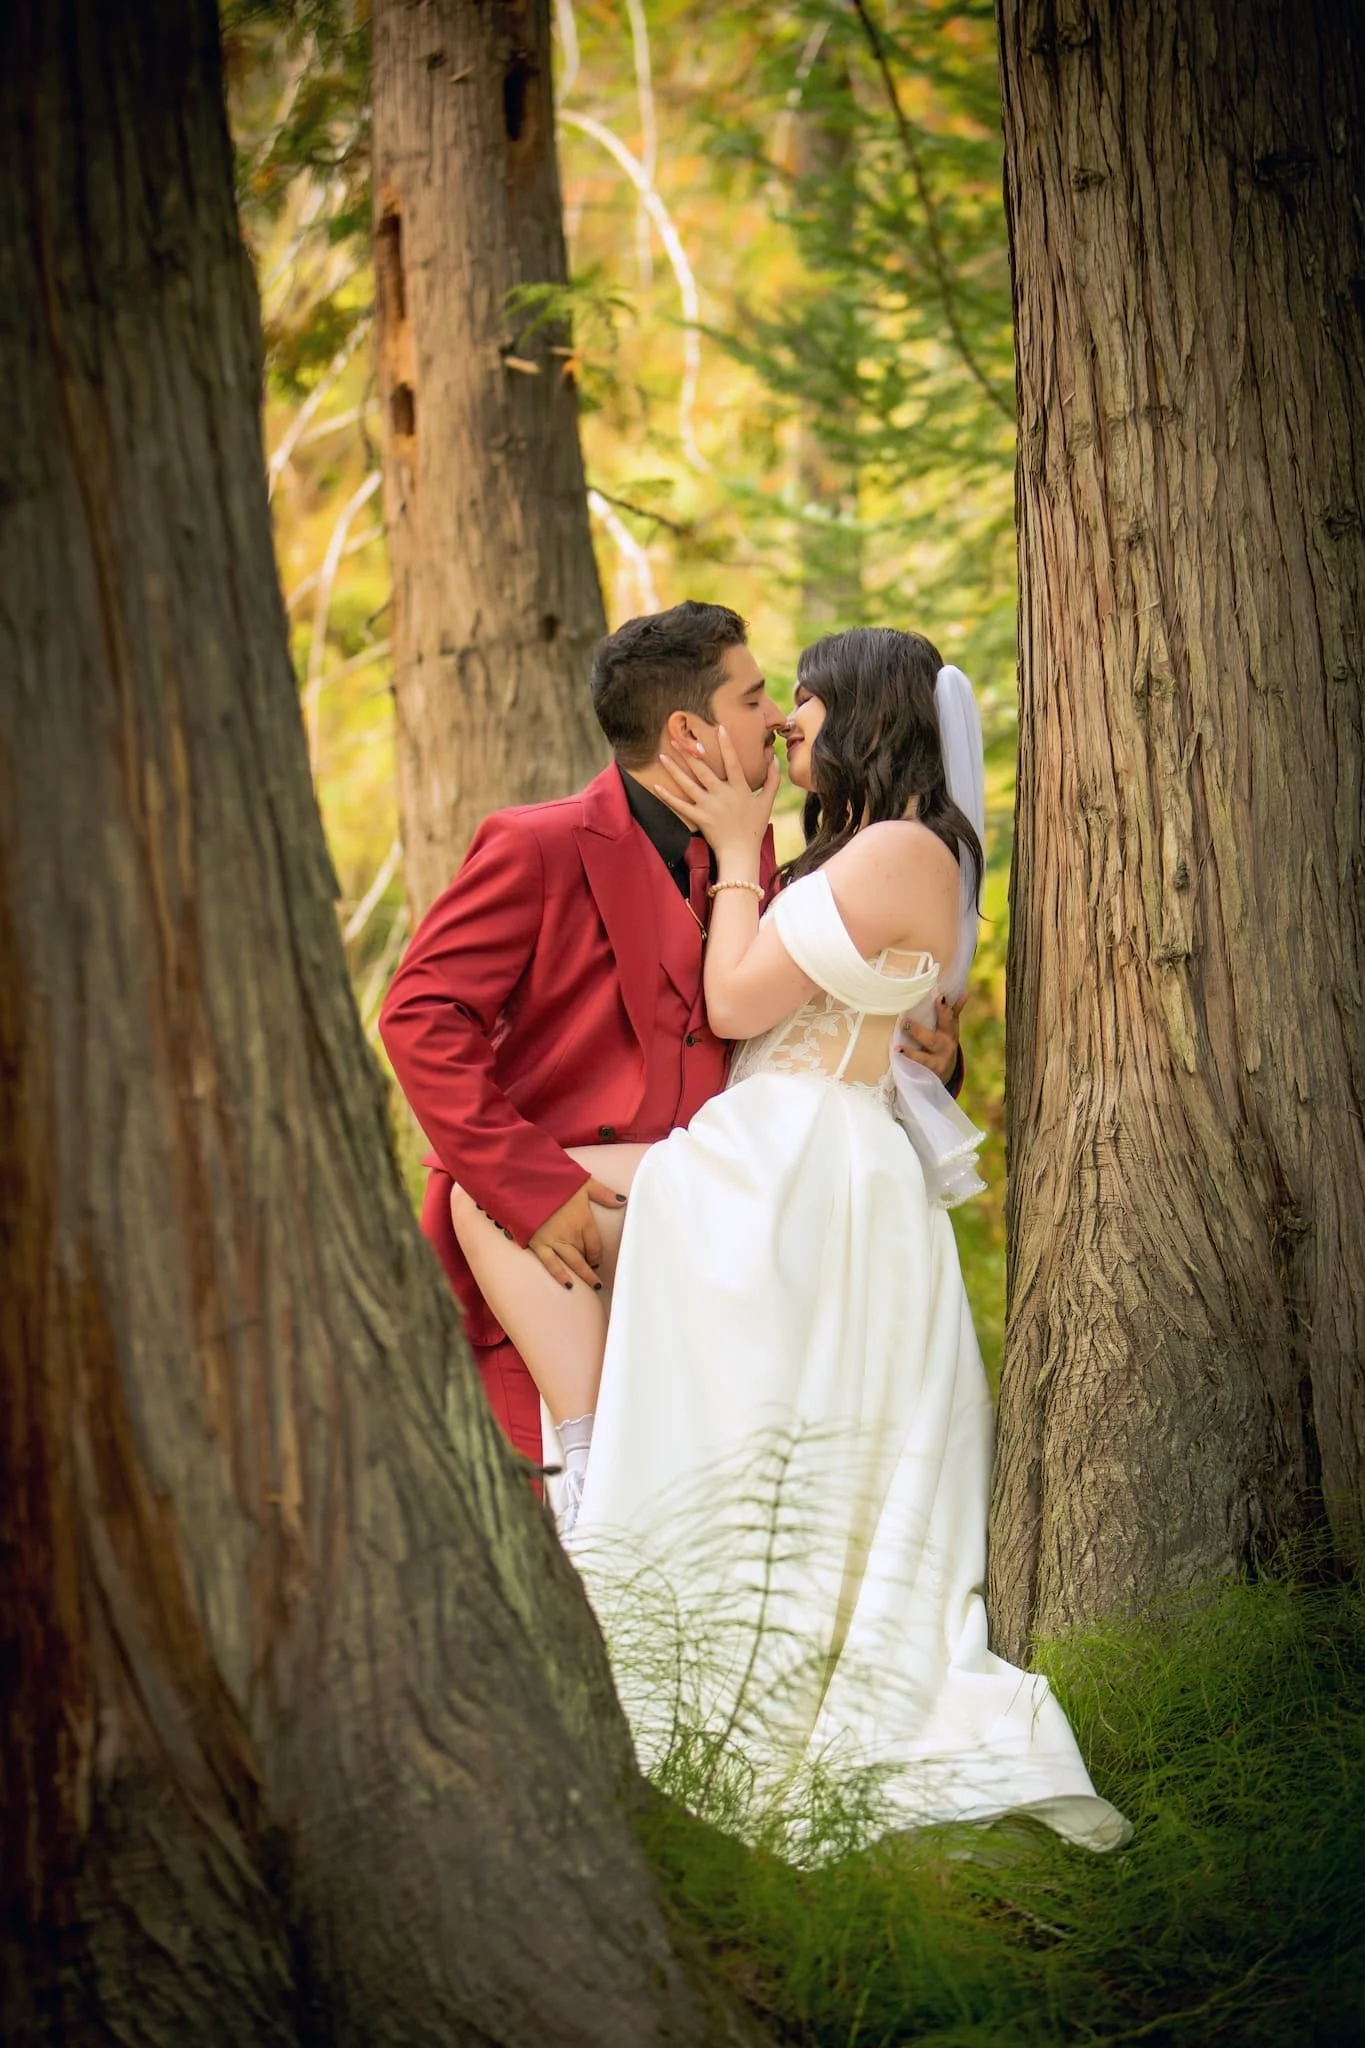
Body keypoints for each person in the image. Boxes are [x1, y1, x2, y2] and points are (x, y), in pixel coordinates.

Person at [451, 626, 1130, 1853]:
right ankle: (601, 1459)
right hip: (787, 1150)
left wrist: (730, 855)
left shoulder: (899, 846)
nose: (783, 718)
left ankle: (592, 1463)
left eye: (801, 696)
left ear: (864, 708)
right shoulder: (858, 845)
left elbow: (733, 1001)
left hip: (794, 1161)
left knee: (492, 1188)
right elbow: (886, 1019)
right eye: (771, 696)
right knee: (504, 1190)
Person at [379, 604, 963, 1487]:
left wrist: (929, 1056)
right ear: (689, 732)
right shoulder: (539, 845)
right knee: (573, 1525)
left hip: (724, 1258)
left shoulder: (758, 862)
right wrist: (533, 1190)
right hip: (565, 1262)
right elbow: (420, 1016)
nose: (776, 717)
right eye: (754, 698)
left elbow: (821, 1014)